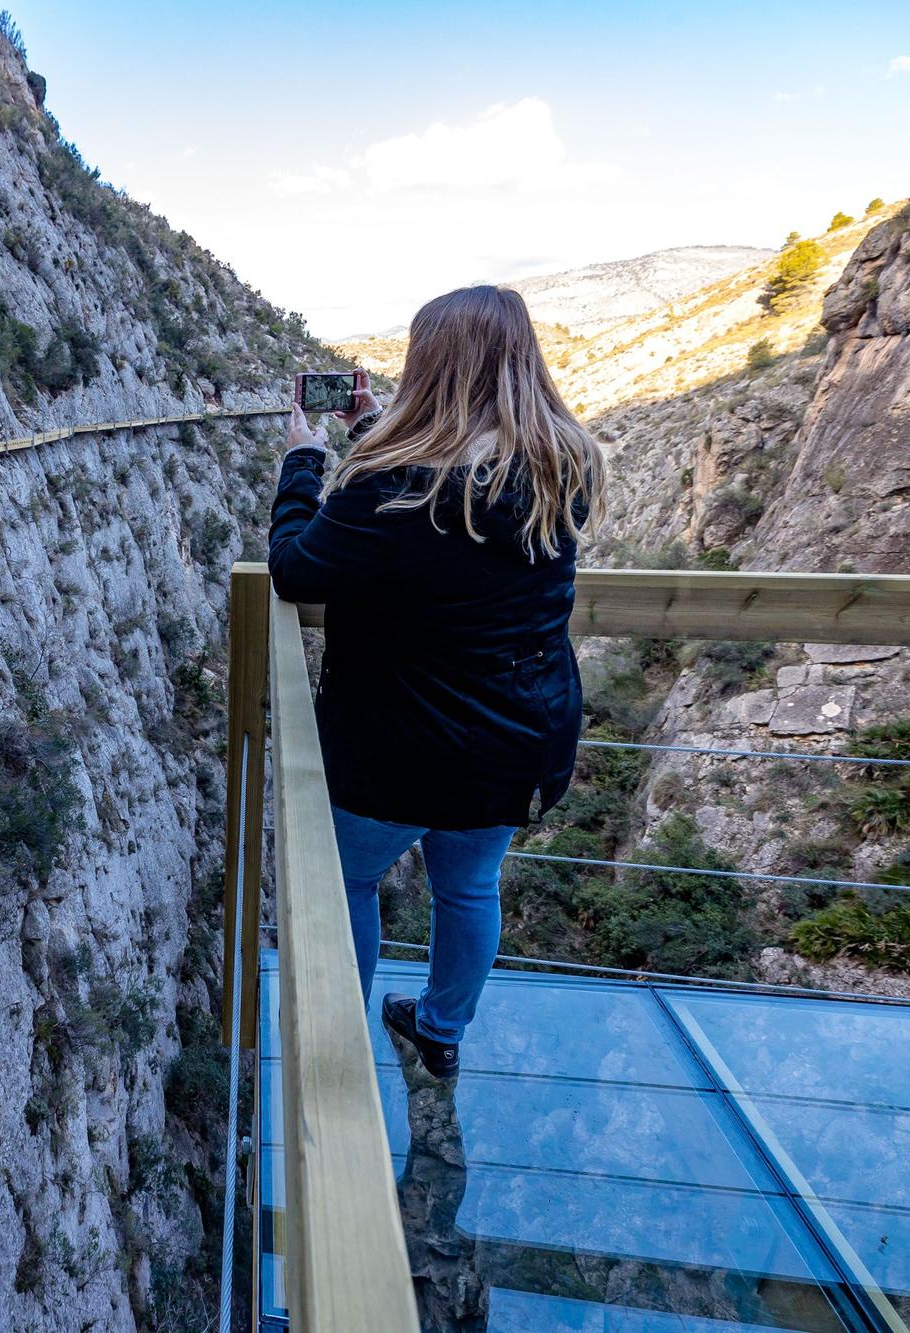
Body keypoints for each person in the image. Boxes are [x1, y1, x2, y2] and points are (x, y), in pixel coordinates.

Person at [267, 286, 606, 1079]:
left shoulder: (387, 486)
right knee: (469, 883)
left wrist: (302, 460)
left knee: (352, 877)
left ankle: (342, 1034)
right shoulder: (564, 467)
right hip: (519, 741)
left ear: (429, 367)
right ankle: (441, 1027)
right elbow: (459, 534)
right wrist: (373, 427)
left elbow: (294, 568)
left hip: (399, 749)